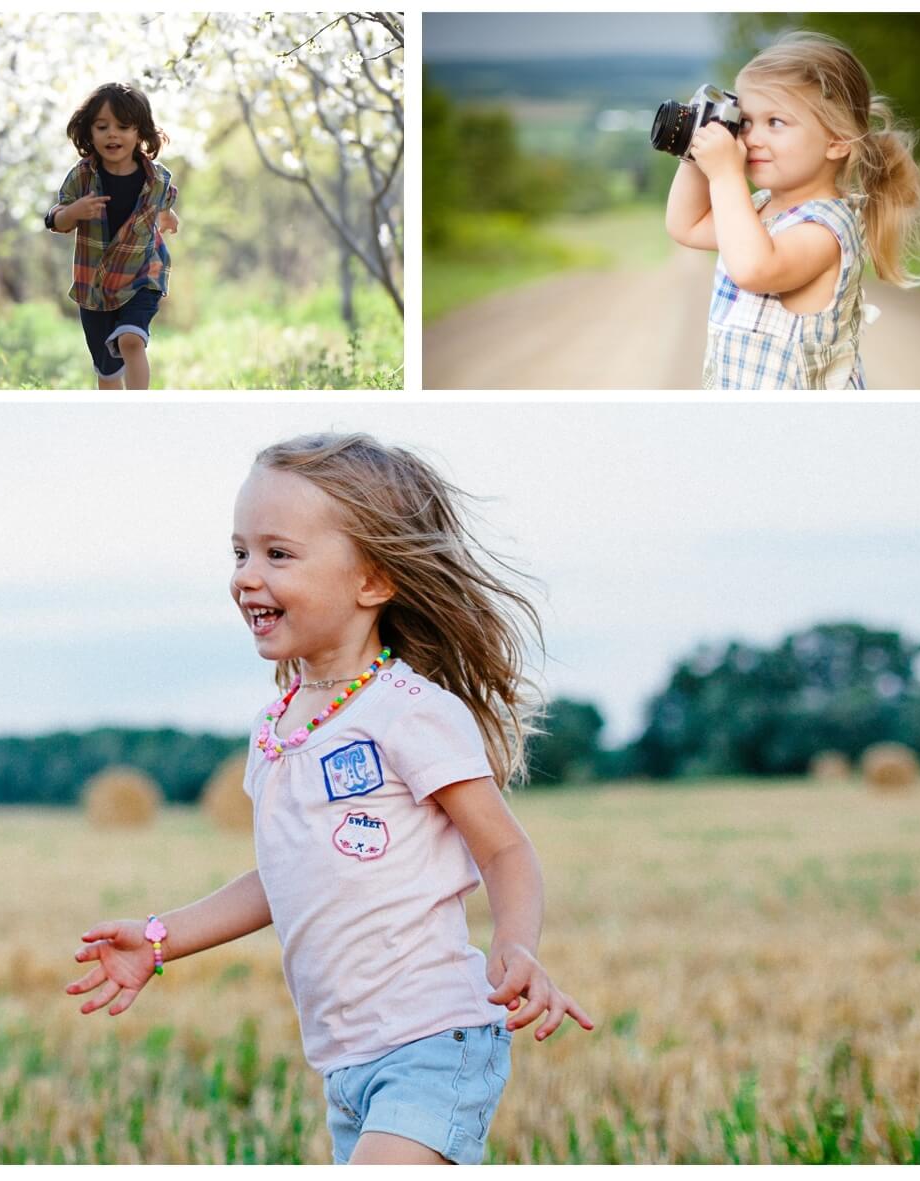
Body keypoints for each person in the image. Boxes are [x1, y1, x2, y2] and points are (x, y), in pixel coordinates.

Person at [66, 432, 595, 1165]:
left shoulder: (410, 710)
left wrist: (514, 945)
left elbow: (503, 846)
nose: (248, 576)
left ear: (372, 580)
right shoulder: (276, 729)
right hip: (345, 1063)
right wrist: (161, 939)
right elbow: (284, 875)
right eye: (239, 552)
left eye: (278, 554)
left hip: (435, 1038)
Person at [664, 30, 920, 389]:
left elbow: (755, 268)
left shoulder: (826, 229)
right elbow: (686, 225)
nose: (752, 138)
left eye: (775, 122)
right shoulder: (758, 209)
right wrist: (696, 152)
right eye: (745, 122)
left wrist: (726, 174)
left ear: (836, 141)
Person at [45, 82, 180, 391]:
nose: (112, 134)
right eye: (102, 126)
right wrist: (74, 212)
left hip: (143, 275)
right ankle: (114, 422)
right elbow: (56, 219)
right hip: (95, 284)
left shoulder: (157, 177)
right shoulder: (82, 176)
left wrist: (169, 217)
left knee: (131, 340)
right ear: (89, 133)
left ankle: (138, 412)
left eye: (123, 126)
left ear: (140, 133)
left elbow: (164, 203)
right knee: (107, 371)